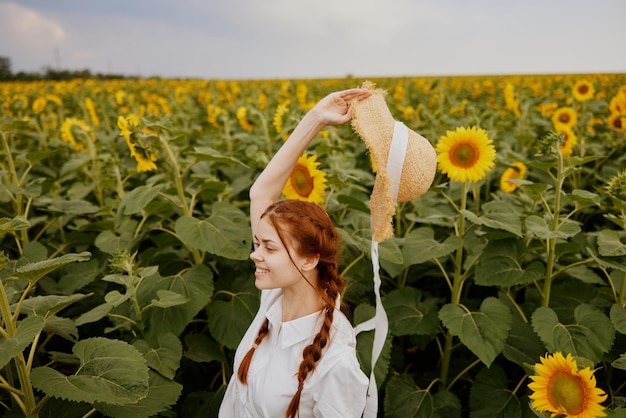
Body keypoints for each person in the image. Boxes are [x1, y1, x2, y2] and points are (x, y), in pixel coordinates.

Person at [218, 87, 373, 418]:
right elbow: (261, 192)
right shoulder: (274, 303)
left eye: (269, 247)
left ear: (309, 257)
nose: (254, 255)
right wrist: (315, 119)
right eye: (258, 244)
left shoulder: (335, 362)